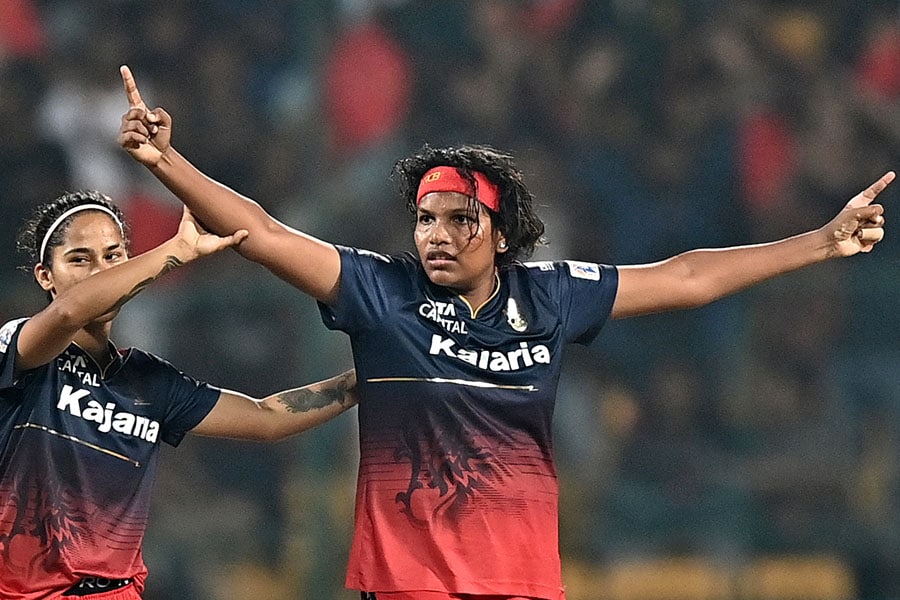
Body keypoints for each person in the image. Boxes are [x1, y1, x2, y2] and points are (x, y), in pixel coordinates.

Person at [117, 65, 893, 600]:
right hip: (406, 586)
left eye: (460, 220)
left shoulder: (552, 297)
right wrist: (167, 162)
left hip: (522, 583)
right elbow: (257, 230)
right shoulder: (378, 293)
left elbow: (688, 278)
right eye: (425, 219)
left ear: (503, 232)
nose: (437, 236)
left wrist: (820, 242)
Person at [0, 189, 358, 600]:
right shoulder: (18, 350)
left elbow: (266, 418)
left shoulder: (148, 380)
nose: (100, 271)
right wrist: (178, 250)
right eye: (80, 259)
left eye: (113, 256)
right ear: (45, 275)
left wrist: (364, 378)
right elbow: (67, 312)